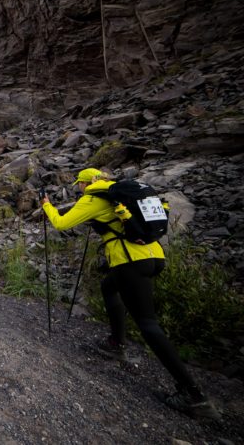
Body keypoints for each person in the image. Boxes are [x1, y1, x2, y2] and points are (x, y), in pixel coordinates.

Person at [41, 167, 221, 421]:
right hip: (154, 255)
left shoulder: (93, 197)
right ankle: (116, 343)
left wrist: (47, 205)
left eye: (78, 185)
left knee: (148, 323)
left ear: (86, 183)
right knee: (108, 286)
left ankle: (195, 396)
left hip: (130, 261)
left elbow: (60, 223)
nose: (78, 189)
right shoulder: (123, 193)